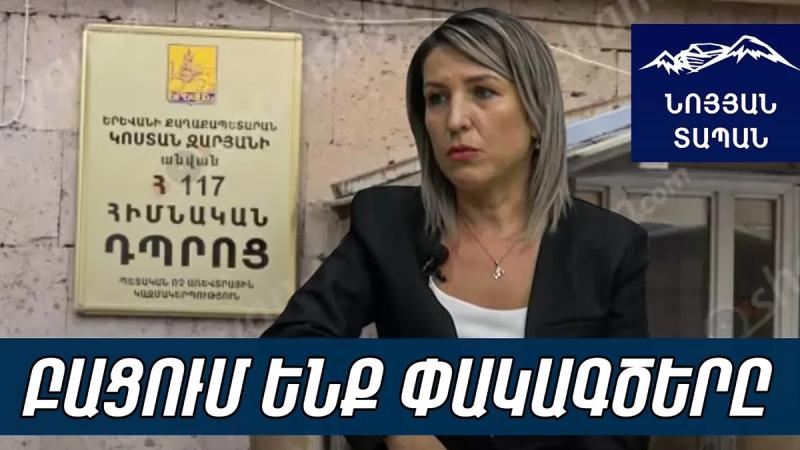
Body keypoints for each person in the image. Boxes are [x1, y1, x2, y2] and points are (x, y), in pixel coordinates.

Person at [262, 7, 649, 450]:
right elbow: (290, 348)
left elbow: (622, 428)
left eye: (483, 92)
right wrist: (394, 424)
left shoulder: (610, 247)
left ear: (536, 114)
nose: (455, 120)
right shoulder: (388, 225)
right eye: (437, 98)